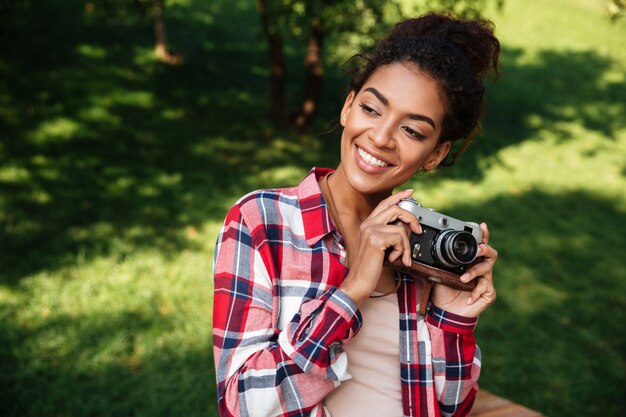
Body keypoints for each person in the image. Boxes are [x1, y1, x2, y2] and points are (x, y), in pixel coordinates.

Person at [212, 12, 500, 417]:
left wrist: (453, 317)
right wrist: (351, 292)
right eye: (371, 108)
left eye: (413, 131)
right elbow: (241, 403)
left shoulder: (424, 249)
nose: (381, 138)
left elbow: (451, 407)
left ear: (435, 154)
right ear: (348, 106)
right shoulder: (261, 222)